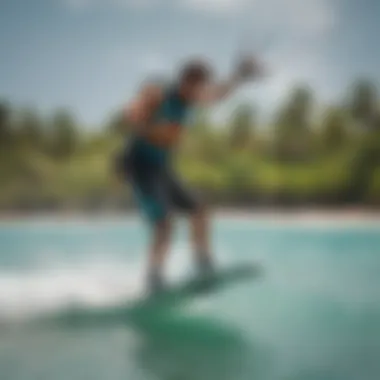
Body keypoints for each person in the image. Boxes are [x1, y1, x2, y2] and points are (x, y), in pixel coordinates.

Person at [118, 56, 264, 293]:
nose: (199, 92)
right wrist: (146, 124)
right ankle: (154, 277)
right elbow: (130, 110)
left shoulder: (189, 100)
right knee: (164, 223)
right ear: (184, 81)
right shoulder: (161, 95)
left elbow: (217, 95)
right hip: (140, 165)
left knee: (199, 210)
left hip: (161, 167)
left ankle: (202, 263)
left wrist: (240, 76)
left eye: (201, 87)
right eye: (195, 86)